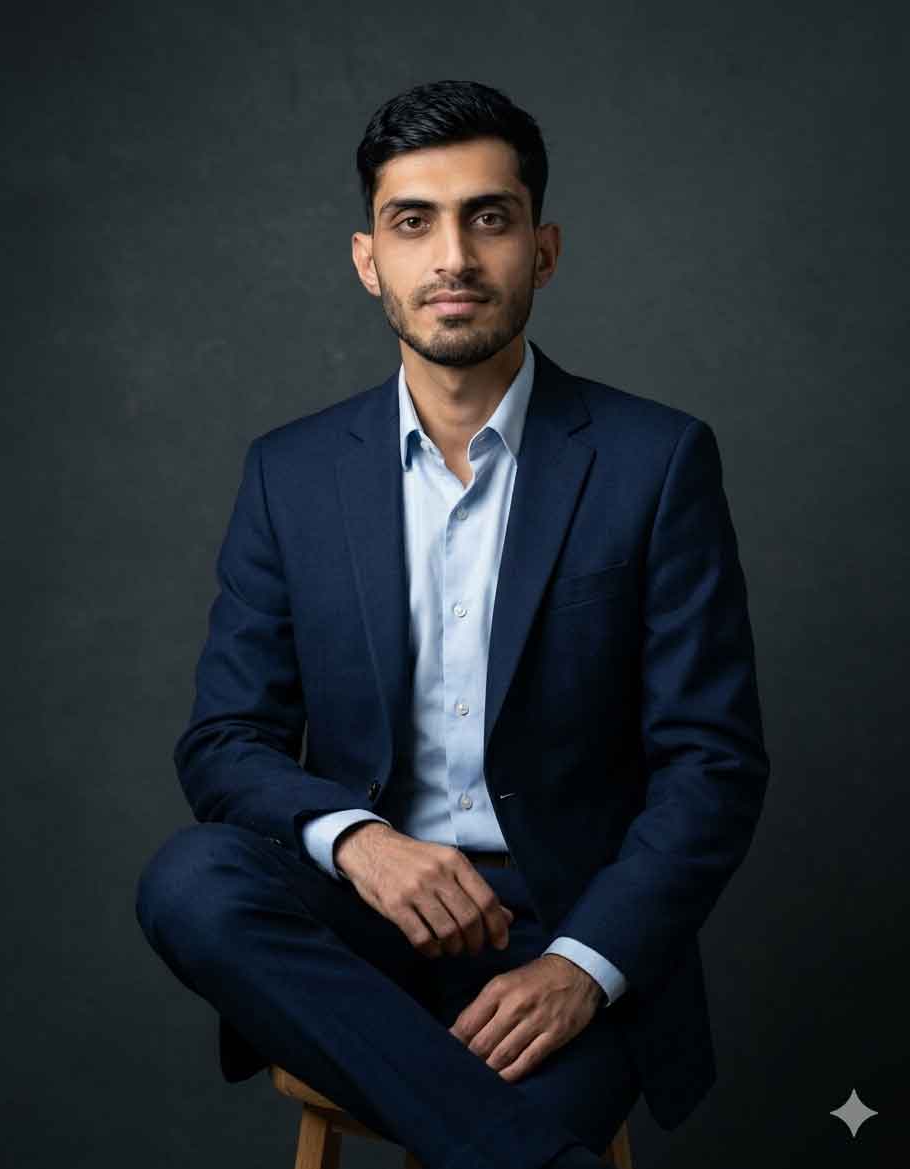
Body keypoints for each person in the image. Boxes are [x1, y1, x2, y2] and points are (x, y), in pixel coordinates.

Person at [135, 79, 770, 1169]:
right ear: (367, 258)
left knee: (489, 1131)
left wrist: (585, 964)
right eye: (412, 221)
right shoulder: (290, 474)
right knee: (192, 879)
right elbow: (226, 742)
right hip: (356, 928)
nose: (455, 259)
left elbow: (711, 763)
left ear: (544, 247)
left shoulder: (654, 460)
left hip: (564, 923)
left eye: (490, 216)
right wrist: (364, 843)